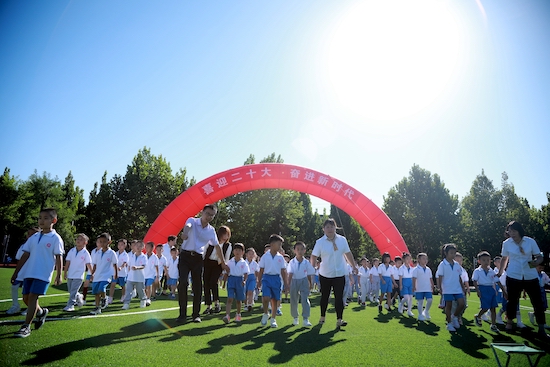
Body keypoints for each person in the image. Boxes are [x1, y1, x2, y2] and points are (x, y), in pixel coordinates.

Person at [11, 208, 64, 338]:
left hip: (43, 274)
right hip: (29, 273)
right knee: (26, 298)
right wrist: (16, 272)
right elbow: (25, 255)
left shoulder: (56, 238)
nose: (42, 220)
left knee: (33, 297)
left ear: (54, 220)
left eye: (46, 218)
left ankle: (26, 327)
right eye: (40, 218)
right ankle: (41, 312)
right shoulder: (34, 237)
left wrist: (59, 275)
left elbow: (59, 256)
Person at [497, 221, 548, 339]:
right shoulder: (506, 243)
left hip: (530, 275)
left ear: (519, 230)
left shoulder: (530, 241)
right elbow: (504, 258)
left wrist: (536, 262)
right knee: (512, 301)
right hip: (513, 274)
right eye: (509, 231)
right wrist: (500, 271)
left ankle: (541, 328)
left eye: (514, 231)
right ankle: (509, 322)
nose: (512, 233)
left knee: (538, 302)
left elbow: (539, 256)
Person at [310, 218, 357, 328]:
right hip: (325, 274)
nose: (330, 229)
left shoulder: (342, 240)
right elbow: (313, 256)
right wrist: (312, 267)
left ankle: (339, 319)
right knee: (325, 296)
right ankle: (322, 316)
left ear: (335, 227)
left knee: (339, 297)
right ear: (324, 229)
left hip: (340, 273)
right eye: (327, 227)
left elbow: (348, 254)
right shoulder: (320, 242)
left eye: (332, 227)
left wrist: (354, 266)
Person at [177, 204, 219, 323]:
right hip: (185, 256)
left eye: (212, 215)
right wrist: (185, 234)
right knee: (183, 282)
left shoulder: (211, 230)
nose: (209, 217)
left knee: (197, 285)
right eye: (207, 213)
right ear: (202, 212)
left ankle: (196, 314)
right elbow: (187, 226)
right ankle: (182, 314)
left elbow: (216, 246)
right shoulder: (192, 221)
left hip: (198, 259)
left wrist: (223, 261)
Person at [472, 251, 507, 334]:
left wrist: (504, 291)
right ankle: (478, 316)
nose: (486, 262)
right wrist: (478, 291)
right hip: (483, 289)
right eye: (484, 260)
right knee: (485, 307)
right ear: (479, 261)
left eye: (488, 260)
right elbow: (474, 281)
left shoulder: (491, 271)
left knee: (493, 308)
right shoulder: (477, 271)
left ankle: (493, 325)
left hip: (491, 289)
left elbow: (497, 281)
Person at [258, 234, 288, 328]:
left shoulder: (280, 257)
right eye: (279, 244)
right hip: (266, 278)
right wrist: (259, 281)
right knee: (266, 297)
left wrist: (286, 283)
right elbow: (261, 269)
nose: (280, 247)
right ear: (272, 244)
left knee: (275, 300)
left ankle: (273, 319)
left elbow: (283, 271)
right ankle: (266, 313)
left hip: (276, 279)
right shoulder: (265, 256)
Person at [7, 227, 39, 315]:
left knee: (30, 294)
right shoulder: (23, 246)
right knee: (14, 287)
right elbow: (19, 260)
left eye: (32, 234)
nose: (29, 236)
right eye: (28, 234)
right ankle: (15, 305)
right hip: (21, 273)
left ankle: (31, 308)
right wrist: (16, 273)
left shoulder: (39, 247)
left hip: (31, 274)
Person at [436, 243, 467, 332]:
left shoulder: (457, 264)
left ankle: (454, 317)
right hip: (447, 289)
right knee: (448, 306)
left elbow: (459, 277)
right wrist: (440, 288)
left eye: (454, 253)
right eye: (451, 253)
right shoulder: (442, 264)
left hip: (457, 288)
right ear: (446, 253)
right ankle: (449, 324)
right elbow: (440, 277)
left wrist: (463, 287)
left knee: (462, 304)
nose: (453, 255)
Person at [203, 226, 232, 315]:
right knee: (206, 283)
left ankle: (217, 303)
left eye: (227, 234)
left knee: (213, 282)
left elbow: (226, 258)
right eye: (224, 234)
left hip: (218, 265)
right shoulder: (211, 241)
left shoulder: (228, 246)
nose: (225, 236)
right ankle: (208, 306)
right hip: (207, 263)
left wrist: (224, 270)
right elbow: (204, 252)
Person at [288, 241, 315, 327]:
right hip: (294, 281)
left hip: (304, 281)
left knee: (304, 300)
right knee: (293, 300)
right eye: (298, 249)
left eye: (302, 249)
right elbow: (290, 273)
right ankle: (295, 317)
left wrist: (310, 284)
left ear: (304, 250)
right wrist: (288, 284)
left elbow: (309, 273)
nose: (300, 251)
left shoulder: (306, 262)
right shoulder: (292, 262)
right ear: (294, 251)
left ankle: (305, 318)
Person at [63, 233, 93, 311]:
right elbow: (67, 262)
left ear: (85, 242)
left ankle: (70, 305)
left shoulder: (86, 253)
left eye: (81, 240)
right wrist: (65, 272)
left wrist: (92, 274)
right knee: (71, 291)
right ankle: (79, 296)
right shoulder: (72, 250)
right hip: (70, 274)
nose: (78, 241)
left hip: (79, 275)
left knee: (73, 291)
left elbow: (89, 264)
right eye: (78, 239)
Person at [90, 233, 118, 315]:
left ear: (109, 242)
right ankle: (97, 308)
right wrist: (92, 273)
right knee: (96, 292)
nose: (102, 243)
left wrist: (116, 274)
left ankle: (105, 298)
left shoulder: (111, 253)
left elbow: (115, 264)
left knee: (102, 289)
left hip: (106, 275)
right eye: (100, 241)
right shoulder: (97, 253)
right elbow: (94, 264)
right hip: (97, 275)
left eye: (104, 241)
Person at [223, 243, 249, 324]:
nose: (237, 252)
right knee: (230, 298)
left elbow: (246, 273)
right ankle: (227, 315)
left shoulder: (244, 263)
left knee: (238, 300)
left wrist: (244, 280)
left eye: (239, 250)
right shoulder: (230, 262)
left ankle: (238, 314)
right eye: (236, 250)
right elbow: (226, 272)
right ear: (233, 251)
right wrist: (224, 282)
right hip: (231, 280)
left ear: (242, 252)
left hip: (239, 280)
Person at [122, 240, 147, 310]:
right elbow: (129, 265)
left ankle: (143, 300)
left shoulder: (143, 257)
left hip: (139, 277)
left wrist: (137, 267)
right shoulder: (131, 256)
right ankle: (126, 303)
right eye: (137, 246)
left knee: (140, 290)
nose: (138, 247)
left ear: (143, 247)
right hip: (130, 277)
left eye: (140, 246)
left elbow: (143, 266)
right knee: (128, 291)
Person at [412, 252, 434, 321]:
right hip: (419, 288)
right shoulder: (416, 269)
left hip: (427, 288)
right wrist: (414, 286)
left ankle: (426, 311)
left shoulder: (428, 269)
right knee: (420, 302)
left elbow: (430, 278)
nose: (425, 260)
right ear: (419, 260)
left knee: (430, 300)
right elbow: (414, 278)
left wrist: (432, 285)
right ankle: (420, 315)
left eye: (426, 259)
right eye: (423, 259)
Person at [108, 239, 129, 305]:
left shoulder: (125, 255)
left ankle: (123, 296)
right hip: (114, 272)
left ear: (125, 246)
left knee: (122, 285)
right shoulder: (115, 253)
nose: (120, 246)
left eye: (121, 245)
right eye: (119, 245)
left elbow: (125, 263)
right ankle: (110, 297)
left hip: (122, 273)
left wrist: (121, 267)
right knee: (113, 284)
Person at [82, 240, 101, 304]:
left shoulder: (103, 251)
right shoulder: (93, 251)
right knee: (86, 284)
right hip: (91, 270)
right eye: (98, 242)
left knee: (97, 286)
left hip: (98, 271)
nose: (99, 243)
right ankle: (83, 299)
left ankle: (98, 300)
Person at [398, 253, 415, 317]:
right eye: (407, 259)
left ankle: (409, 310)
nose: (409, 260)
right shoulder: (401, 268)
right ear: (403, 259)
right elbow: (400, 277)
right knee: (406, 297)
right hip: (404, 283)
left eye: (409, 259)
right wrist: (400, 285)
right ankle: (401, 304)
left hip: (410, 283)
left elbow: (413, 277)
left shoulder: (412, 268)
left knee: (410, 297)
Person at [144, 241, 159, 306]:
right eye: (146, 247)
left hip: (151, 275)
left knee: (149, 286)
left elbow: (156, 267)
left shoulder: (155, 257)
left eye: (148, 247)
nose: (146, 248)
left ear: (152, 248)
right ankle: (144, 297)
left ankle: (148, 298)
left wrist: (157, 276)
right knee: (144, 288)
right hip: (144, 275)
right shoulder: (143, 256)